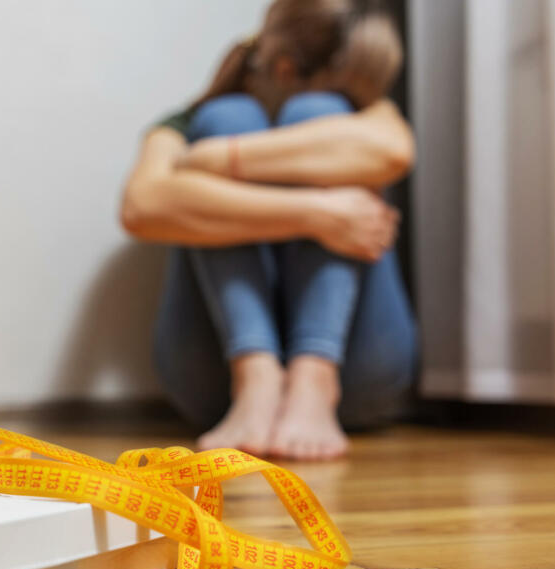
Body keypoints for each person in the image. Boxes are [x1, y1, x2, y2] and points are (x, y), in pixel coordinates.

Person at [120, 0, 417, 460]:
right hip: (215, 380)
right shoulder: (192, 121)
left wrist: (221, 160)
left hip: (358, 374)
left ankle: (316, 375)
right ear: (283, 70)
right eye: (352, 98)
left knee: (317, 112)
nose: (361, 109)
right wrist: (318, 213)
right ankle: (254, 372)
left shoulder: (364, 113)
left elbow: (394, 151)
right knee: (226, 118)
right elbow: (142, 206)